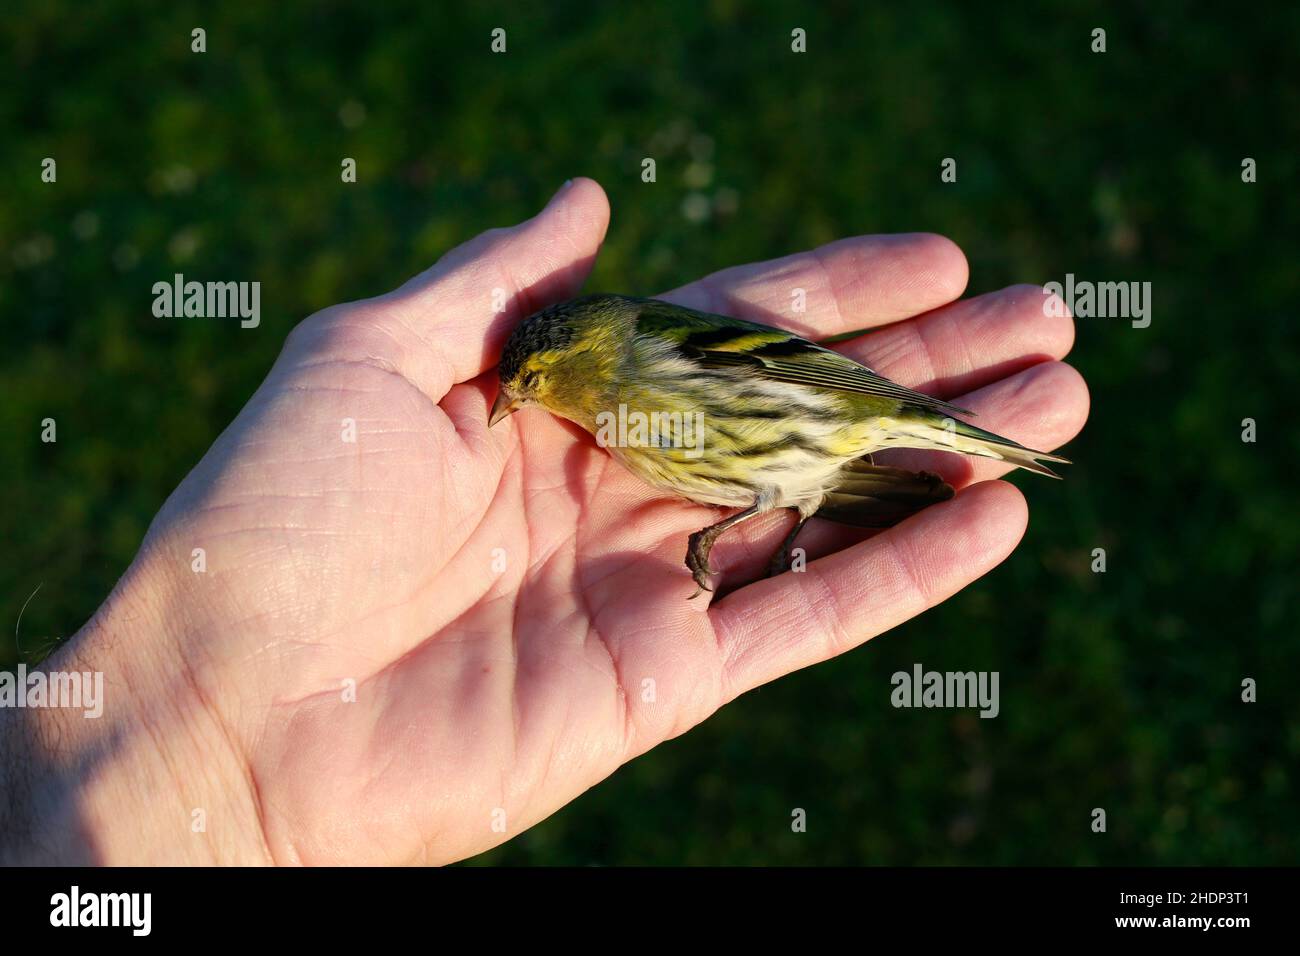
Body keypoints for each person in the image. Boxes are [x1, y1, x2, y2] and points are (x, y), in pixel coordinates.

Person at [0, 179, 1087, 865]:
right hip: (781, 468)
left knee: (908, 464)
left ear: (576, 361)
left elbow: (791, 371)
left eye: (530, 378)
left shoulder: (650, 356)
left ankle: (943, 448)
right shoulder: (603, 401)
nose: (516, 400)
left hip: (808, 413)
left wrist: (880, 417)